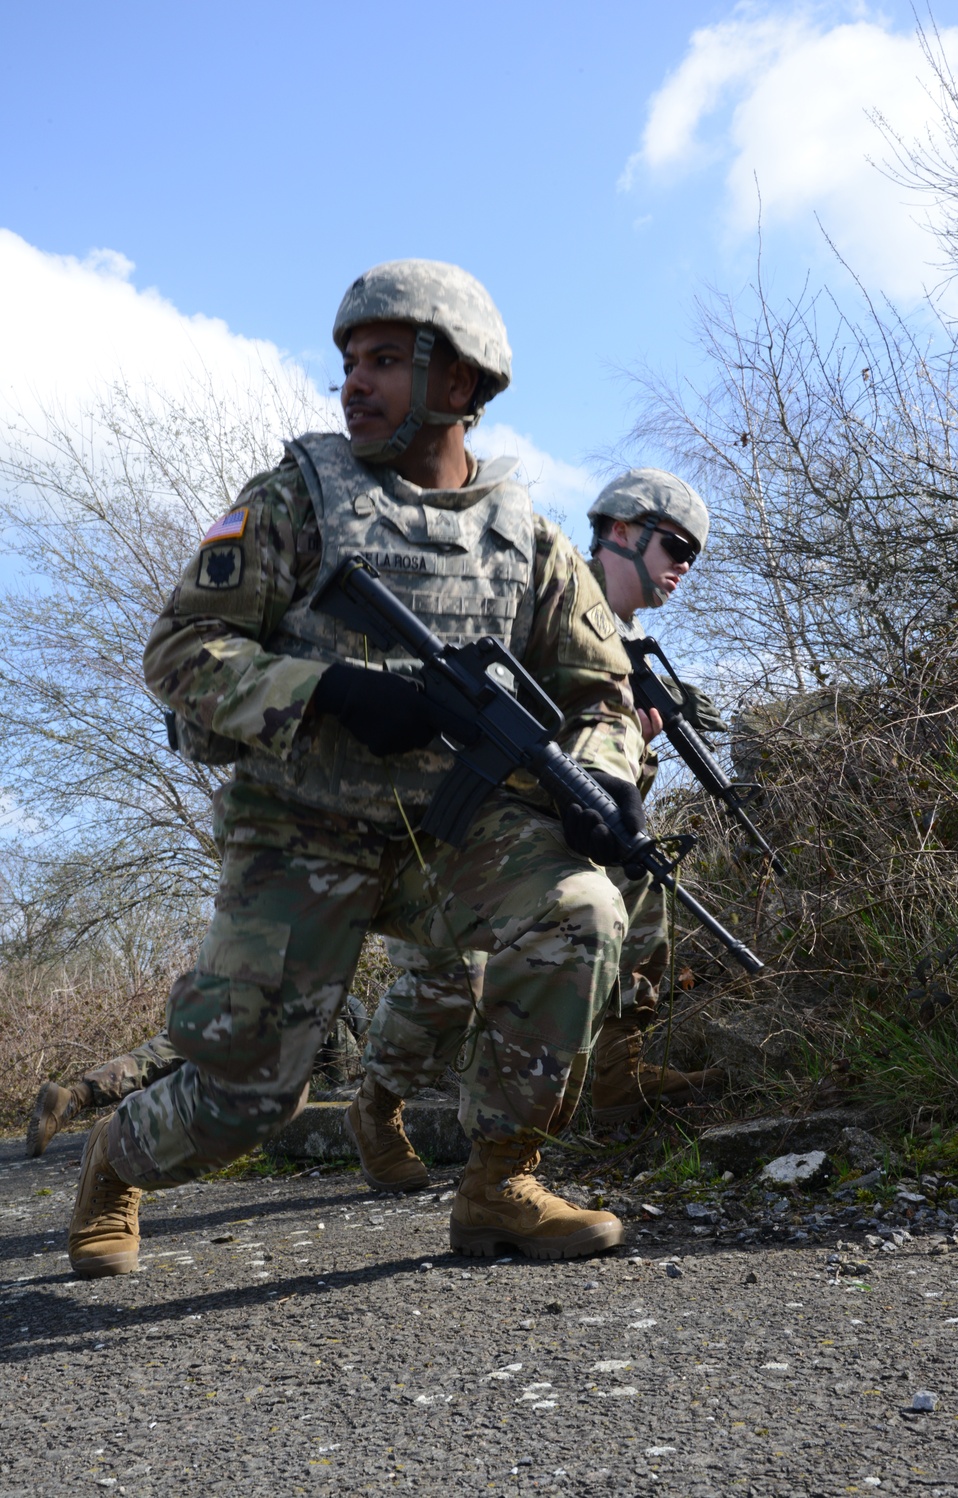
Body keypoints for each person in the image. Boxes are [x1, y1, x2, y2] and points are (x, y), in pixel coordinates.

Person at [68, 258, 659, 1277]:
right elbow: (178, 654)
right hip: (301, 825)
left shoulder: (528, 539)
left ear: (460, 385)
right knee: (248, 1097)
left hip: (456, 835)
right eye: (349, 361)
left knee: (584, 911)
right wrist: (329, 691)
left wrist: (605, 778)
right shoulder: (294, 498)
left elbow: (603, 695)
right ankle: (112, 1157)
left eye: (386, 360)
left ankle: (497, 1186)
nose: (354, 383)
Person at [346, 468, 726, 1191]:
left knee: (640, 888)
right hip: (456, 827)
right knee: (449, 981)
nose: (683, 567)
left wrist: (631, 752)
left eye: (692, 556)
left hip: (544, 841)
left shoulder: (635, 651)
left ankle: (615, 1074)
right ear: (621, 528)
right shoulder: (535, 598)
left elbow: (606, 787)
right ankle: (376, 1109)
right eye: (675, 545)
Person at [25, 997, 370, 1157]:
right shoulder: (337, 1020)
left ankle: (73, 1098)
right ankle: (124, 1125)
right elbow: (341, 1088)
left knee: (157, 1058)